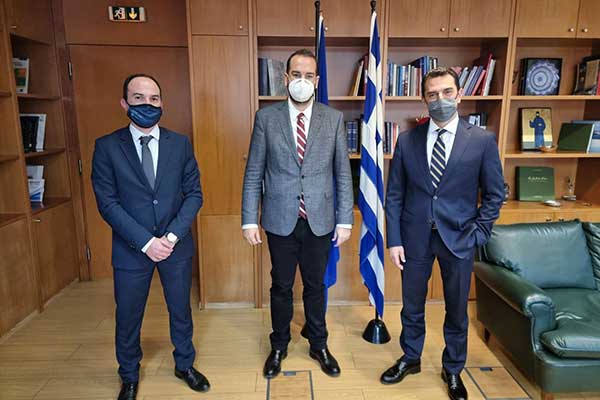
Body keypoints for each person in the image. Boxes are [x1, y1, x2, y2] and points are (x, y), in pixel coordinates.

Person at [382, 67, 504, 400]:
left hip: (460, 238)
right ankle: (410, 358)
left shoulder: (481, 140)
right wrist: (394, 239)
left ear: (459, 95)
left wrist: (479, 232)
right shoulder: (407, 140)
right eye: (432, 94)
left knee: (456, 310)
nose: (440, 100)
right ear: (424, 99)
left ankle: (452, 369)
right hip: (414, 238)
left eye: (447, 92)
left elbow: (495, 194)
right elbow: (394, 195)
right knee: (411, 306)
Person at [91, 74, 209, 400]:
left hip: (175, 247)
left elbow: (194, 194)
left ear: (162, 103)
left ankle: (185, 365)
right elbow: (107, 203)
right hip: (131, 249)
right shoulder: (107, 147)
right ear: (124, 103)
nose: (147, 104)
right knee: (128, 315)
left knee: (180, 310)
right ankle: (129, 375)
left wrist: (170, 237)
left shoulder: (180, 144)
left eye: (154, 98)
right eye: (139, 98)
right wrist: (146, 242)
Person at [241, 49, 354, 379]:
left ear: (316, 80)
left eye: (308, 76)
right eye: (296, 75)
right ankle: (279, 345)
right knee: (281, 285)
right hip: (279, 219)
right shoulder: (266, 118)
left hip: (320, 219)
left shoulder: (332, 119)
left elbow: (342, 172)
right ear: (286, 77)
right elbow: (254, 171)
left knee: (316, 286)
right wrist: (249, 218)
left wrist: (345, 219)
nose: (301, 81)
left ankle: (319, 344)